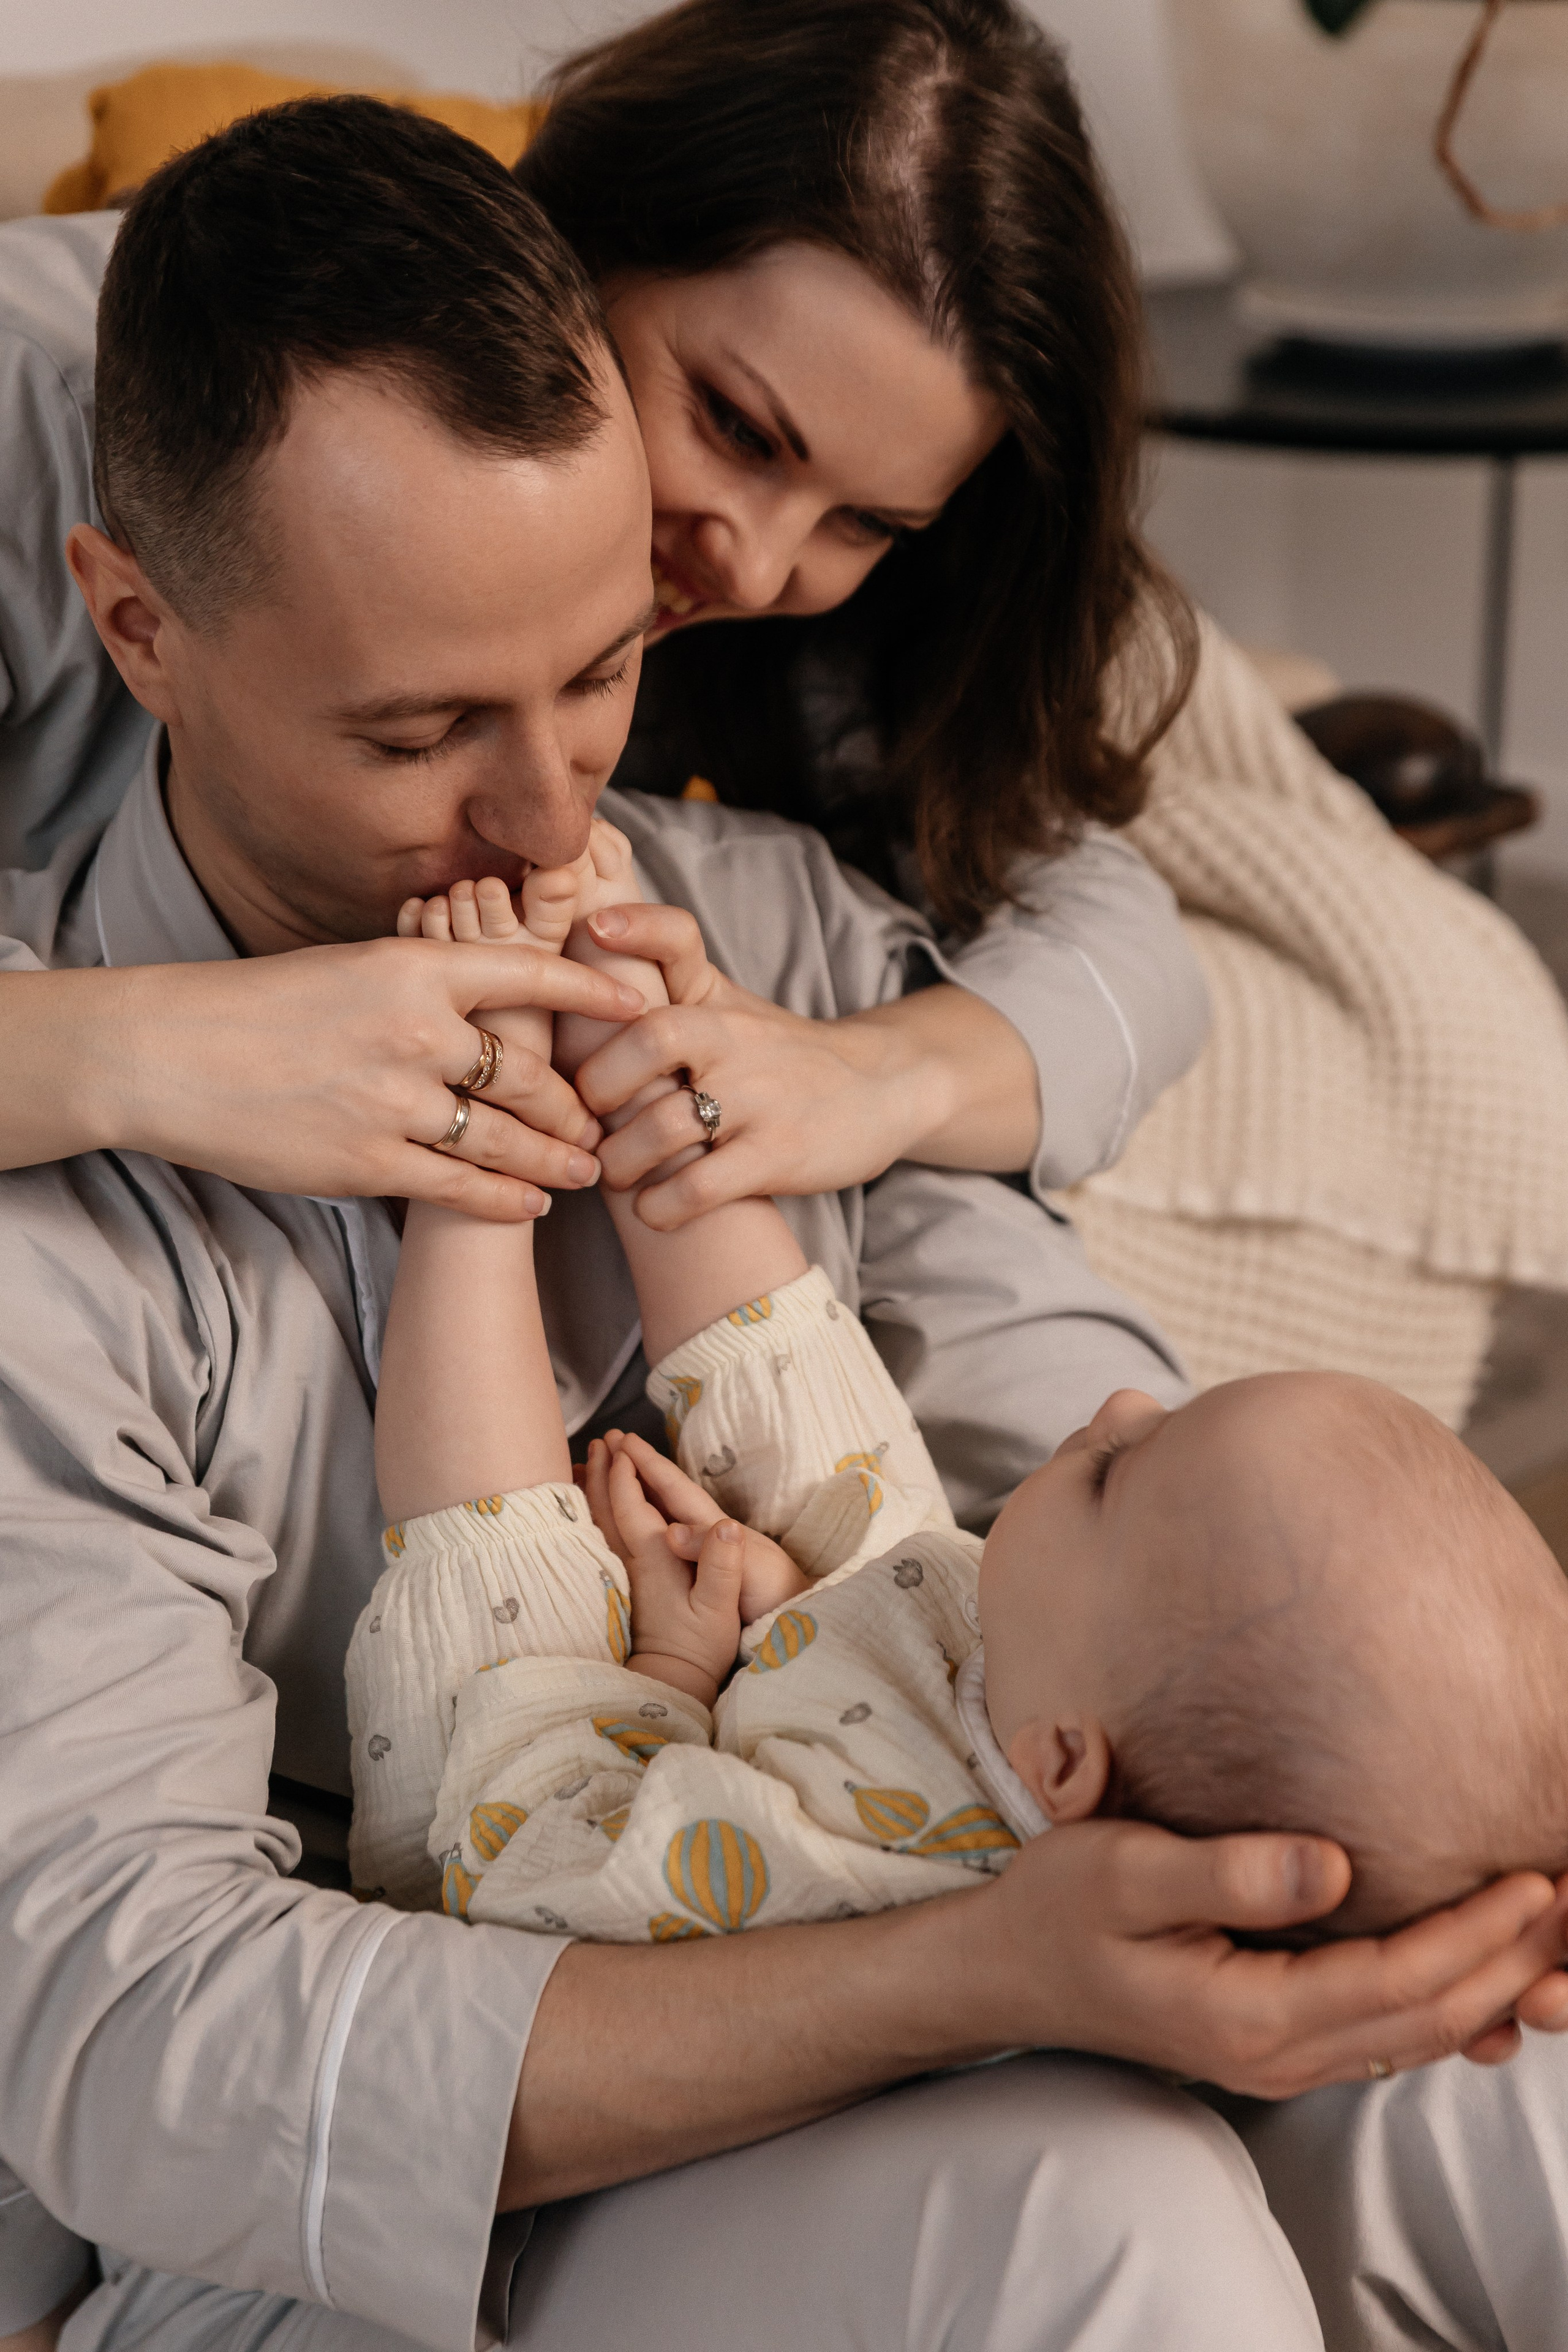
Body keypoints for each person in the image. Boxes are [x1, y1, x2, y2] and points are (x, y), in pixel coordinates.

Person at [6, 95, 1568, 2352]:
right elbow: (152, 2051)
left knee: (1501, 2094)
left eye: (598, 673)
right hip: (352, 2186)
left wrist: (1391, 1836)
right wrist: (978, 1973)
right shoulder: (53, 1196)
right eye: (422, 730)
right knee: (1096, 2209)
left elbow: (1093, 1463)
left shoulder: (766, 942)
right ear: (139, 629)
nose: (549, 808)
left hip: (911, 1914)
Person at [0, 0, 1205, 1337]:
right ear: (579, 238)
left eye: (867, 520)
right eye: (737, 427)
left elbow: (1105, 922)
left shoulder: (785, 660)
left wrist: (867, 1080)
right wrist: (159, 1048)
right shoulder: (37, 404)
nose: (754, 569)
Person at [355, 827, 1568, 1953]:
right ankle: (640, 1062)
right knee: (843, 1462)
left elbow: (569, 1876)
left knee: (504, 1575)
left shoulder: (853, 1876)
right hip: (852, 1670)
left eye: (1115, 1475)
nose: (1120, 1408)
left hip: (535, 1835)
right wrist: (786, 1608)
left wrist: (674, 1671)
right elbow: (899, 1665)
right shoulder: (1056, 1708)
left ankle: (485, 1135)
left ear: (1061, 1766)